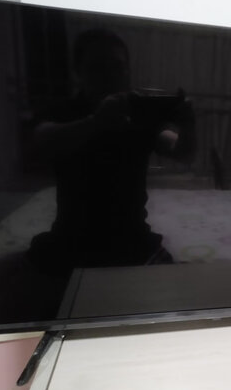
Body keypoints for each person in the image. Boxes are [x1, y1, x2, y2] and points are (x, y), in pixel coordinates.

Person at [27, 29, 195, 273]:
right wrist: (96, 122)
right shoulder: (65, 111)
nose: (110, 75)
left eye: (117, 67)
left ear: (127, 70)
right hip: (74, 239)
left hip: (132, 238)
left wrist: (188, 125)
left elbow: (182, 152)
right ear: (78, 72)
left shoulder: (137, 114)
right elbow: (41, 139)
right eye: (97, 67)